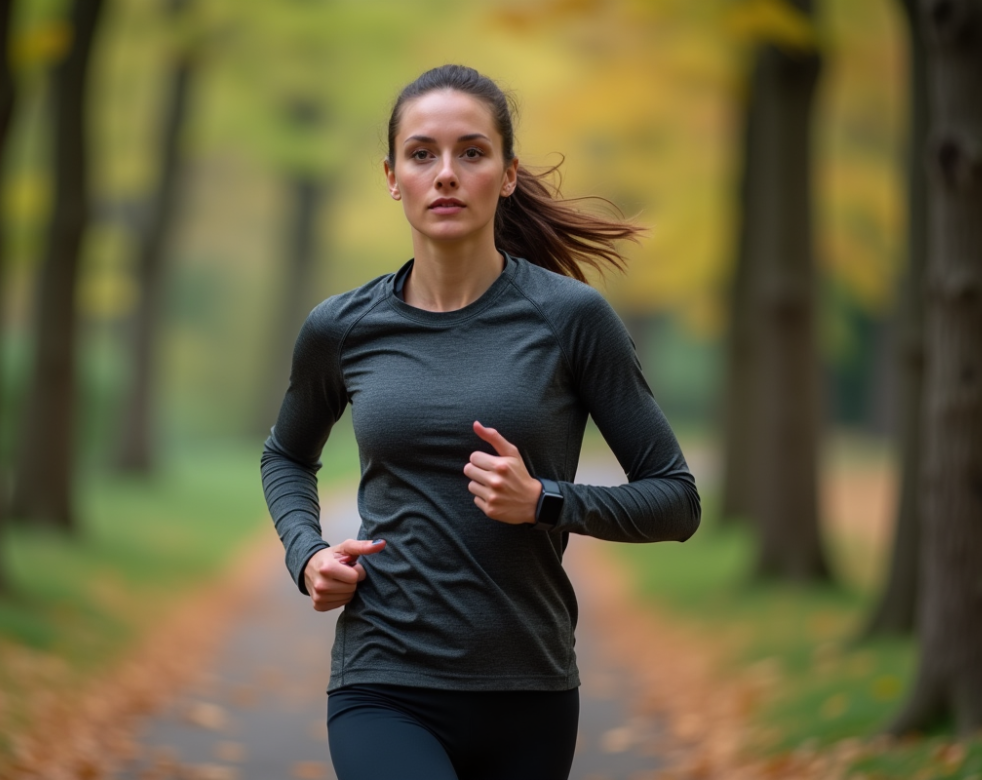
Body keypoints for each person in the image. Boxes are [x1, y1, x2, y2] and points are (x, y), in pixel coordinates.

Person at [260, 64, 700, 780]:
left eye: (471, 152)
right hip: (382, 679)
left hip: (529, 688)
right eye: (422, 153)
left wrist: (545, 502)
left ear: (508, 174)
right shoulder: (342, 327)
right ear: (392, 175)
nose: (446, 174)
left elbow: (676, 500)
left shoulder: (570, 320)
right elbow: (285, 455)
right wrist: (307, 554)